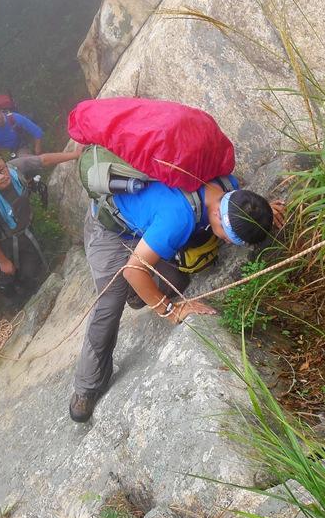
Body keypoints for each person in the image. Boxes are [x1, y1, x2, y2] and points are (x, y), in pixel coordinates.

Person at [69, 178, 285, 423]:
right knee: (110, 304)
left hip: (146, 222)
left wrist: (260, 214)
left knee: (176, 280)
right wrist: (170, 310)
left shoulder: (227, 186)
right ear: (218, 212)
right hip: (111, 227)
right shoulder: (178, 219)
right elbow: (133, 270)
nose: (226, 241)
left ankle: (137, 293)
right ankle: (86, 387)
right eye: (228, 236)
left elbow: (244, 207)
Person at [0, 149, 79, 304]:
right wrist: (2, 261)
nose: (2, 176)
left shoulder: (15, 168)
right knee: (6, 276)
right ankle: (13, 302)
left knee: (30, 270)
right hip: (3, 243)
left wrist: (75, 154)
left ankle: (31, 296)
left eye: (2, 169)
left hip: (26, 233)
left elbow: (44, 159)